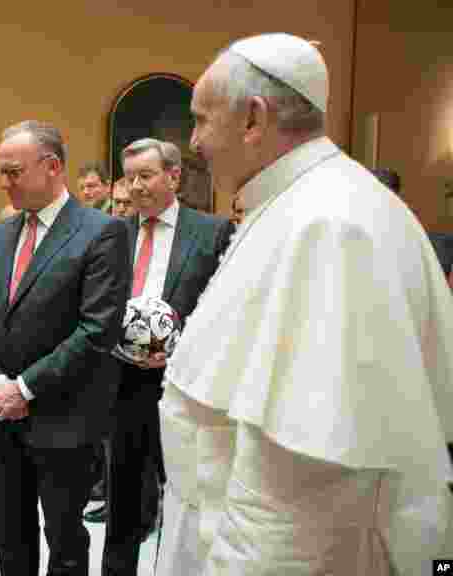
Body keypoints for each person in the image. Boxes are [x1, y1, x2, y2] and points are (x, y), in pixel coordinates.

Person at [159, 33, 453, 575]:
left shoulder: (330, 226)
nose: (194, 141)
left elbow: (296, 487)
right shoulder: (294, 202)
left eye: (201, 119)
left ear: (253, 118)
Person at [0, 120, 130, 575]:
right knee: (10, 535)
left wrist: (26, 388)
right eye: (0, 172)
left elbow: (97, 330)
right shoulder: (0, 233)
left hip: (63, 416)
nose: (4, 182)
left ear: (53, 166)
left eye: (13, 172)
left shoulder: (101, 232)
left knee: (64, 541)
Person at [101, 138, 233, 575]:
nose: (136, 186)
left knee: (184, 496)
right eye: (130, 177)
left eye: (146, 175)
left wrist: (181, 348)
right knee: (122, 496)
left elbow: (225, 307)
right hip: (122, 382)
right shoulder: (113, 232)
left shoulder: (211, 231)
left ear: (174, 176)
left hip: (185, 383)